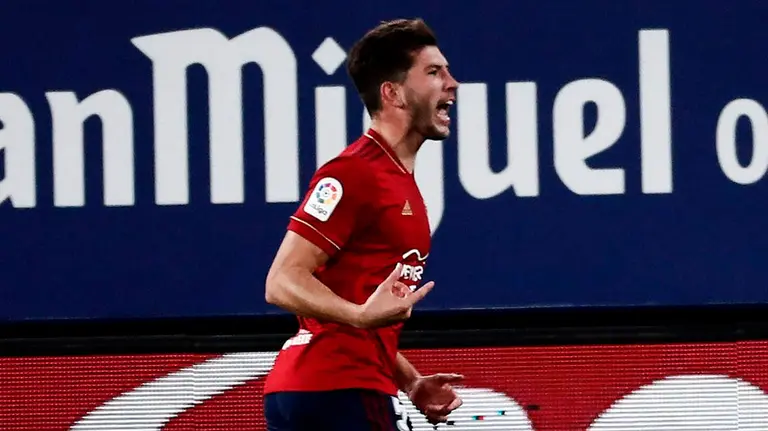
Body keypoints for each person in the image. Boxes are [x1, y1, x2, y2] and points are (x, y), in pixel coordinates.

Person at [263, 18, 462, 430]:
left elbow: (362, 307)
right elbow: (281, 280)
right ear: (392, 93)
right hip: (339, 390)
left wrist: (410, 382)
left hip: (320, 389)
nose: (452, 83)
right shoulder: (353, 173)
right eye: (433, 72)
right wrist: (357, 316)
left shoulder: (396, 180)